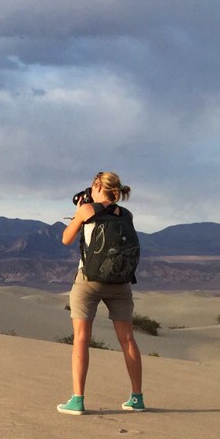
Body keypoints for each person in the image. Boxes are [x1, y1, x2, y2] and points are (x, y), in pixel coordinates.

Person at [57, 171, 144, 415]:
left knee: (81, 339)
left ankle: (77, 400)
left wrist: (81, 211)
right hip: (120, 282)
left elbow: (66, 239)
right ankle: (136, 398)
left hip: (89, 281)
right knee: (127, 339)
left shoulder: (87, 210)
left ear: (97, 185)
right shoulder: (126, 214)